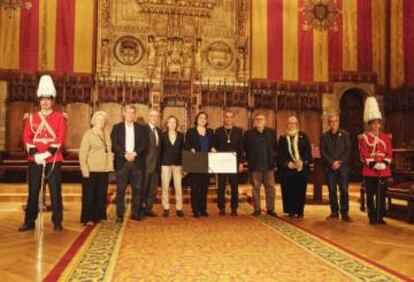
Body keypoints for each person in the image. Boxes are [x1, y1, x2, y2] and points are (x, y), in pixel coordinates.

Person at [19, 75, 67, 232]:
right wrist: (35, 154)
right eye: (42, 99)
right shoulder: (32, 117)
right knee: (33, 192)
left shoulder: (60, 118)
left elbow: (60, 138)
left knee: (55, 192)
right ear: (39, 101)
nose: (45, 102)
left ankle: (57, 221)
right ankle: (29, 221)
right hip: (35, 160)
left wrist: (46, 154)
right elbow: (26, 137)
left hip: (53, 159)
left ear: (52, 101)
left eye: (48, 99)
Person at [111, 105, 147, 223]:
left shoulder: (141, 128)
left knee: (137, 190)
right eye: (128, 112)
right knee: (120, 191)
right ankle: (119, 215)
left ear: (135, 115)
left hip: (137, 163)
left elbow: (144, 144)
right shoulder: (117, 127)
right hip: (122, 162)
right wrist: (125, 154)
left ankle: (135, 214)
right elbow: (114, 144)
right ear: (124, 114)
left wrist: (135, 153)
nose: (130, 115)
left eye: (133, 113)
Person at [359, 96, 392, 225]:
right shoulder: (365, 138)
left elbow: (389, 152)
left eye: (378, 122)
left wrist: (384, 164)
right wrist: (373, 164)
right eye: (373, 123)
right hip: (370, 171)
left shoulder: (385, 137)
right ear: (369, 124)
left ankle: (380, 216)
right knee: (371, 195)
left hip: (384, 171)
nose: (376, 125)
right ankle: (372, 216)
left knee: (381, 195)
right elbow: (363, 154)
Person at [79, 111, 114, 226]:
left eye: (103, 120)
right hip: (91, 169)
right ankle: (87, 217)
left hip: (104, 169)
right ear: (94, 121)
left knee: (101, 194)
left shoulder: (106, 133)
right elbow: (82, 153)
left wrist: (109, 166)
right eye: (98, 120)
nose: (101, 122)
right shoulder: (88, 134)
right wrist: (85, 169)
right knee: (89, 194)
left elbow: (109, 150)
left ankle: (100, 215)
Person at [277, 116, 313, 218]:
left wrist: (302, 161)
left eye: (294, 123)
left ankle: (300, 210)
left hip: (301, 168)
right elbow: (279, 154)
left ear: (297, 125)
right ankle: (290, 210)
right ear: (287, 125)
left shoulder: (303, 136)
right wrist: (287, 163)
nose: (292, 125)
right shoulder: (283, 138)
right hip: (287, 170)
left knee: (300, 190)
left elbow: (308, 152)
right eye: (290, 123)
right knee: (288, 190)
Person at [243, 113, 277, 217]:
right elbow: (245, 148)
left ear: (265, 121)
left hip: (268, 165)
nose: (259, 121)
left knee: (270, 188)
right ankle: (257, 209)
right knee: (255, 188)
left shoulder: (271, 132)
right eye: (257, 119)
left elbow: (275, 147)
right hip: (255, 165)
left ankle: (270, 209)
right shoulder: (249, 133)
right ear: (254, 122)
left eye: (261, 119)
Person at [320, 115, 352, 222]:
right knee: (332, 191)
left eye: (336, 121)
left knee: (344, 190)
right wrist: (332, 162)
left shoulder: (345, 134)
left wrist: (340, 162)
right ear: (329, 123)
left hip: (342, 168)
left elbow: (348, 150)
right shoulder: (324, 136)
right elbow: (323, 152)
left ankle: (345, 213)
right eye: (331, 121)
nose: (333, 123)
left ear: (338, 122)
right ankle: (334, 212)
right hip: (330, 168)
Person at [185, 112, 216, 218]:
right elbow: (186, 145)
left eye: (204, 118)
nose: (202, 120)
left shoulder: (210, 132)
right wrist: (190, 149)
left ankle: (203, 209)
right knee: (195, 188)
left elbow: (213, 144)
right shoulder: (191, 131)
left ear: (206, 121)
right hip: (195, 162)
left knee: (204, 187)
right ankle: (195, 210)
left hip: (207, 162)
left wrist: (213, 148)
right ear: (197, 119)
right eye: (200, 118)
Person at [214, 110, 244, 216]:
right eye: (226, 117)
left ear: (233, 118)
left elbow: (240, 149)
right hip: (222, 162)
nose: (228, 119)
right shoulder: (218, 131)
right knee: (221, 186)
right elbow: (215, 146)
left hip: (234, 163)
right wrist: (213, 149)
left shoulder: (238, 131)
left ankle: (234, 208)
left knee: (234, 186)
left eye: (231, 117)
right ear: (223, 118)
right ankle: (221, 207)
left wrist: (241, 163)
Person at [160, 115, 185, 217]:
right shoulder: (162, 135)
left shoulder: (181, 135)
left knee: (178, 187)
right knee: (165, 187)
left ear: (176, 124)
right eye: (170, 122)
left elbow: (183, 151)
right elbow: (160, 150)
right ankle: (166, 208)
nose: (172, 124)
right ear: (167, 124)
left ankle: (179, 208)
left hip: (178, 164)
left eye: (174, 122)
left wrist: (184, 165)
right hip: (165, 164)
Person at [142, 109, 161, 217]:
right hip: (145, 165)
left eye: (156, 116)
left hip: (156, 166)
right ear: (148, 117)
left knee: (153, 190)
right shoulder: (143, 129)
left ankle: (148, 208)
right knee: (143, 188)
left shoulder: (158, 130)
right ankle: (141, 208)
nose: (154, 118)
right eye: (152, 116)